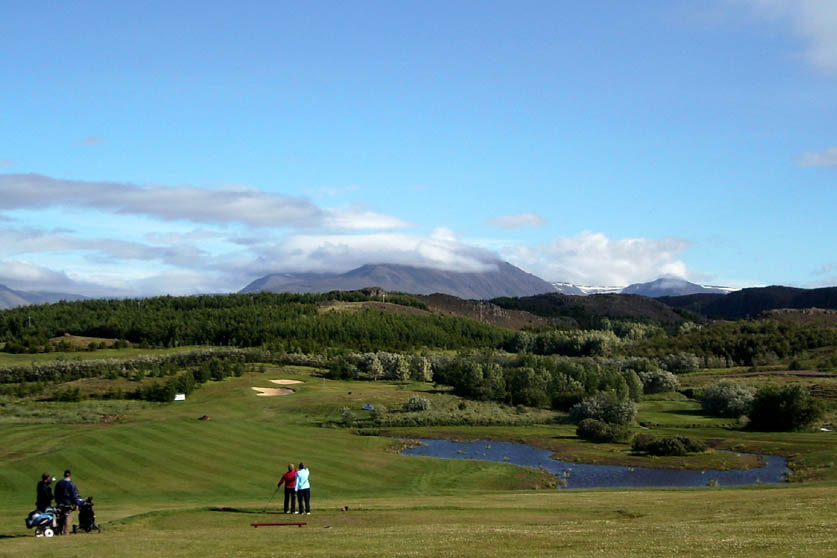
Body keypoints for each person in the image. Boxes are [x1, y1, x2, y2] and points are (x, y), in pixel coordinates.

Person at [54, 469, 83, 535]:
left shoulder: (59, 483)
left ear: (64, 475)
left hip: (60, 505)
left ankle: (59, 533)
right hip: (68, 505)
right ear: (70, 475)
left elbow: (56, 494)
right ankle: (66, 533)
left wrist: (58, 502)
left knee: (60, 521)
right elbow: (74, 495)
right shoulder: (71, 484)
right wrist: (77, 504)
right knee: (67, 521)